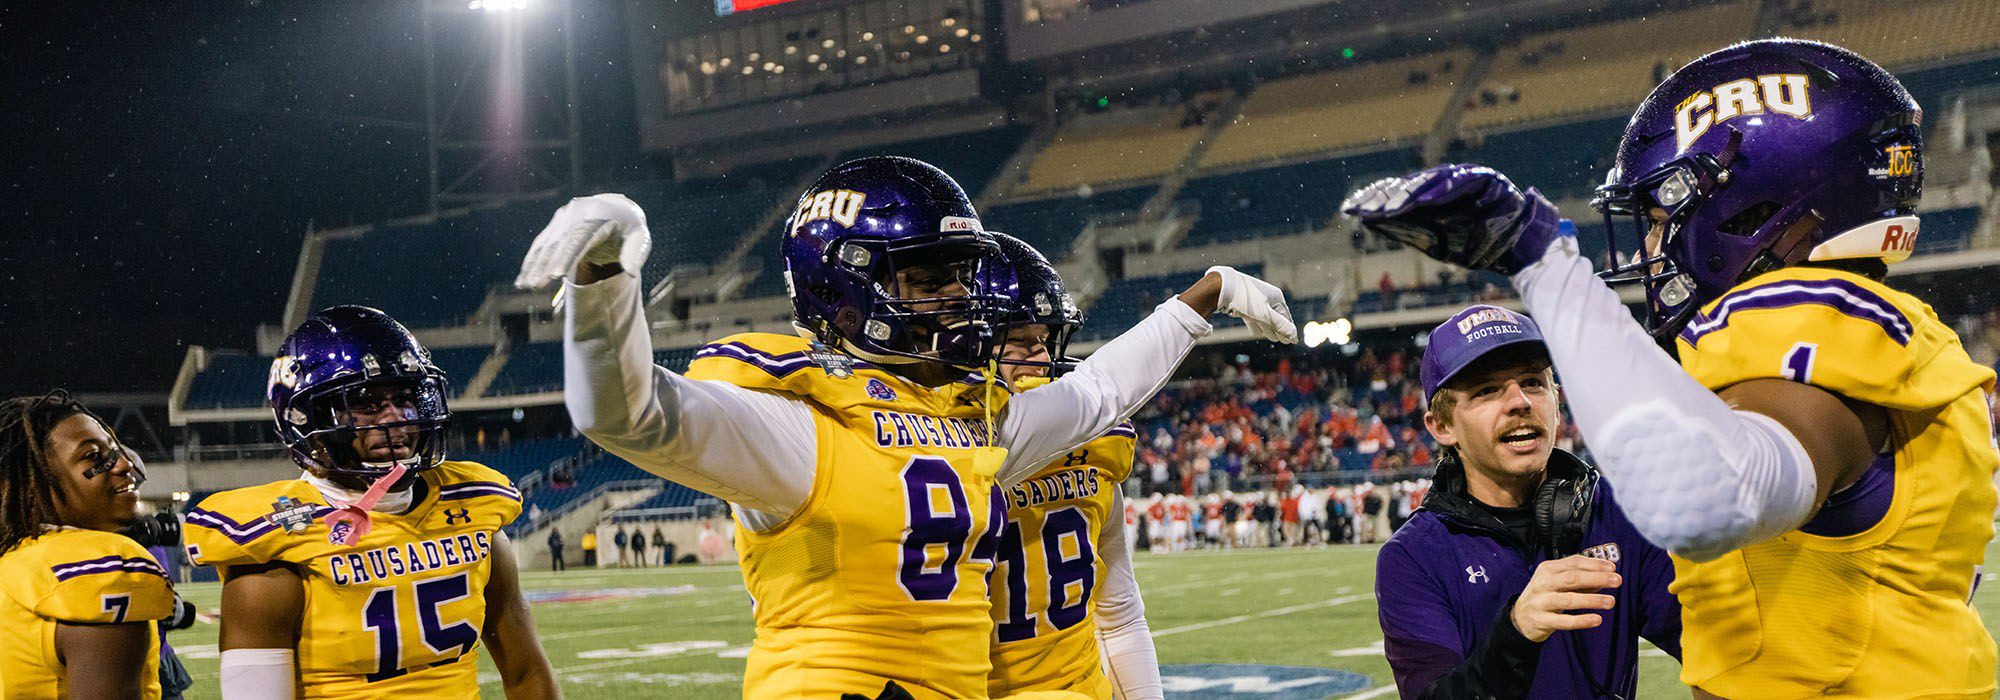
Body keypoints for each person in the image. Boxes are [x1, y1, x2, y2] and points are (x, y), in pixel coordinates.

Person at [1348, 38, 1997, 698]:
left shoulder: (1814, 316)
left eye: (1661, 218)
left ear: (1749, 208)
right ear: (1440, 424)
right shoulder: (1868, 340)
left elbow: (1708, 495)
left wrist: (1543, 263)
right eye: (1486, 390)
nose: (1653, 245)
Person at [514, 156, 1296, 698]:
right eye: (927, 279)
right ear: (844, 288)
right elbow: (627, 414)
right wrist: (604, 277)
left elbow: (1095, 391)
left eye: (958, 275)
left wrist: (1206, 297)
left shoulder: (971, 423)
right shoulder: (801, 425)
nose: (958, 297)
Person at [182, 307, 558, 699]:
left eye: (404, 398)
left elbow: (526, 673)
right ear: (308, 417)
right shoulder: (277, 545)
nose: (395, 418)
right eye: (367, 403)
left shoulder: (473, 513)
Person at [1375, 306, 1680, 699]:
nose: (1519, 402)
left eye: (1534, 382)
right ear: (1442, 426)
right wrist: (1516, 631)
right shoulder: (1413, 556)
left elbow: (1711, 639)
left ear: (1556, 399)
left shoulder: (1619, 511)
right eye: (1486, 390)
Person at [983, 232, 1160, 700]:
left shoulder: (1097, 445)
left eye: (1042, 341)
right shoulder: (943, 448)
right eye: (1018, 344)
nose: (1039, 357)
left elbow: (1119, 610)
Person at [0, 391, 174, 699]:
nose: (124, 465)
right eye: (93, 456)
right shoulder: (96, 572)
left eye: (115, 451)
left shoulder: (14, 560)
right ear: (35, 480)